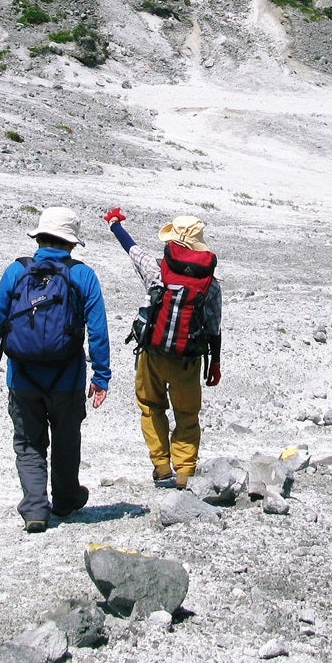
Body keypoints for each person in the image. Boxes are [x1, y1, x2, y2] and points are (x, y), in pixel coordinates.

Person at [0, 206, 110, 533]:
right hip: (67, 378)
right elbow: (97, 331)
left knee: (28, 442)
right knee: (67, 439)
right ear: (71, 243)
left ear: (38, 237)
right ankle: (66, 500)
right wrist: (101, 377)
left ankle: (36, 509)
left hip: (22, 375)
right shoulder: (83, 275)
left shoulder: (16, 271)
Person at [103, 207, 222, 489]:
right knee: (187, 414)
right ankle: (183, 470)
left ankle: (161, 465)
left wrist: (115, 224)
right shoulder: (210, 283)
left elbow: (132, 250)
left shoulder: (157, 269)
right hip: (187, 360)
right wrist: (214, 363)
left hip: (152, 353)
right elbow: (214, 326)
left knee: (150, 406)